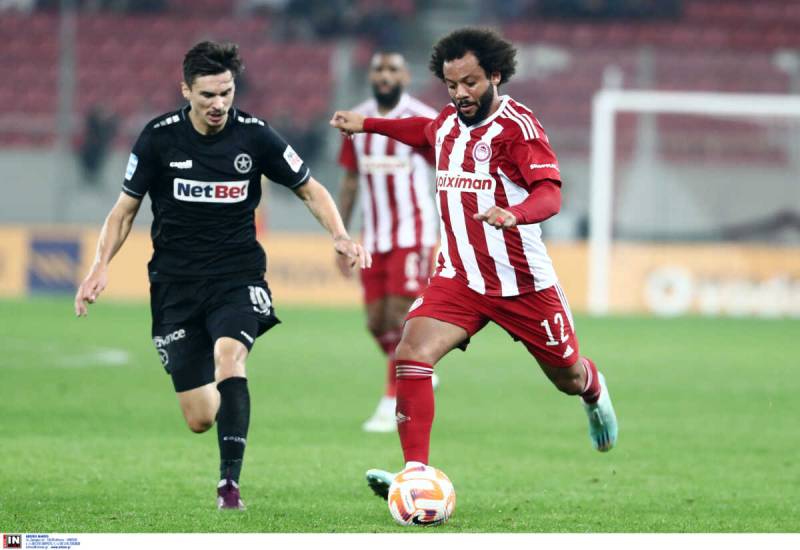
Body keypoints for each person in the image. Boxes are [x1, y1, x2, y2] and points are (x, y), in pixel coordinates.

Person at [74, 41, 369, 510]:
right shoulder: (158, 138)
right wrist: (99, 266)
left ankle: (229, 485)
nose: (218, 104)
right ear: (186, 91)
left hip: (237, 276)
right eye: (208, 94)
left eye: (226, 93)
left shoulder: (255, 135)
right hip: (175, 285)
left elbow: (310, 189)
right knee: (199, 418)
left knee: (230, 359)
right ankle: (225, 398)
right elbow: (124, 211)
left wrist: (340, 234)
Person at [330, 27, 618, 500]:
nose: (460, 93)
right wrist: (368, 125)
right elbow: (421, 132)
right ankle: (416, 475)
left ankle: (593, 390)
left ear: (495, 76)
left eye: (470, 82)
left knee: (566, 376)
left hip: (522, 282)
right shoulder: (446, 122)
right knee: (411, 352)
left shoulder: (518, 128)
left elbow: (550, 193)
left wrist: (515, 213)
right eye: (451, 85)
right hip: (459, 277)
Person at [336, 51, 439, 432]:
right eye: (378, 69)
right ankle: (419, 367)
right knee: (376, 322)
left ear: (406, 76)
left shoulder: (422, 119)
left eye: (392, 69)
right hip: (374, 236)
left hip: (414, 234)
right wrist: (341, 235)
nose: (384, 75)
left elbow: (446, 169)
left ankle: (392, 399)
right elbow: (350, 181)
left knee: (400, 317)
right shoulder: (356, 121)